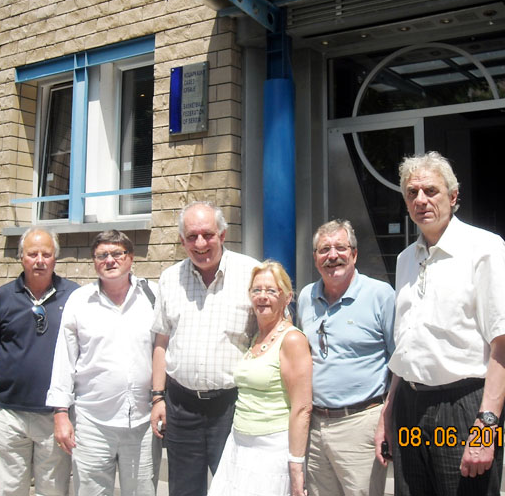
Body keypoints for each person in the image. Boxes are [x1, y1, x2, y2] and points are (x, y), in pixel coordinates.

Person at [374, 151, 505, 496]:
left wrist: (487, 424)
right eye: (412, 193)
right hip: (409, 406)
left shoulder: (484, 248)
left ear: (453, 196)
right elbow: (406, 343)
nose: (421, 200)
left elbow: (504, 344)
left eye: (431, 191)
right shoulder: (405, 259)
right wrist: (388, 410)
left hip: (463, 406)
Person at [150, 201, 260, 496]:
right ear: (182, 240)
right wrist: (157, 397)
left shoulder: (251, 273)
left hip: (233, 407)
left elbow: (271, 336)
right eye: (192, 236)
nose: (200, 244)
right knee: (184, 490)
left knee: (236, 489)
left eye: (208, 235)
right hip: (181, 407)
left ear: (222, 235)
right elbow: (161, 342)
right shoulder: (169, 279)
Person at [46, 230, 160, 496]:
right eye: (102, 255)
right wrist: (60, 413)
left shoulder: (153, 295)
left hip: (143, 422)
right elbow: (64, 359)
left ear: (131, 257)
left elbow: (163, 350)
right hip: (92, 423)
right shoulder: (79, 301)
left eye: (117, 253)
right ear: (94, 261)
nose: (110, 260)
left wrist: (161, 399)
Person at [0, 227, 78, 496]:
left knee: (53, 491)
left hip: (55, 416)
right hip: (8, 415)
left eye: (46, 254)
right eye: (33, 254)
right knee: (8, 490)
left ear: (56, 258)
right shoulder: (2, 298)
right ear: (21, 257)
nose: (40, 260)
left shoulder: (75, 297)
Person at [297, 219, 396, 496]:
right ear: (315, 258)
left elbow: (400, 362)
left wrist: (387, 418)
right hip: (315, 427)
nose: (332, 256)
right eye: (324, 249)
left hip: (361, 424)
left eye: (340, 248)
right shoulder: (306, 297)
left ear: (354, 253)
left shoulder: (381, 295)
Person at [208, 260, 313, 496]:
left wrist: (296, 465)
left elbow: (302, 408)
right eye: (257, 290)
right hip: (239, 444)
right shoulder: (256, 336)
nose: (262, 296)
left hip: (271, 449)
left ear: (287, 297)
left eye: (271, 291)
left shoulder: (292, 340)